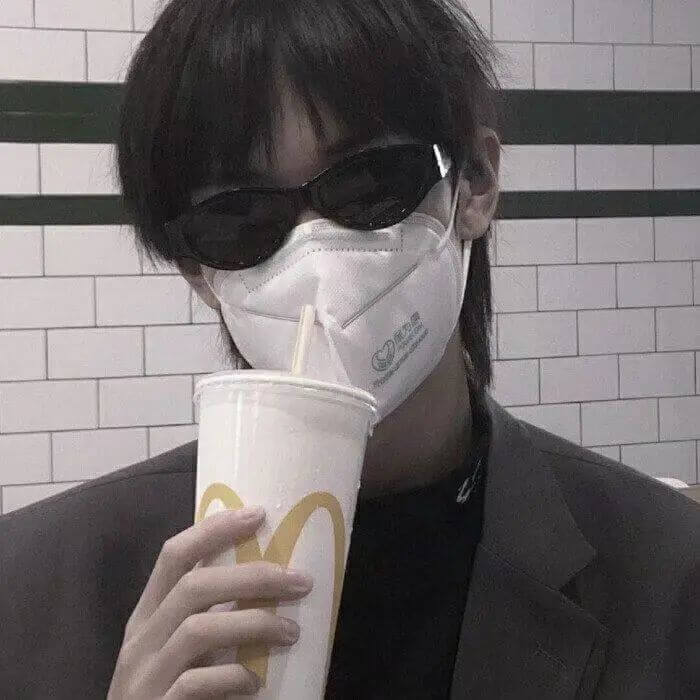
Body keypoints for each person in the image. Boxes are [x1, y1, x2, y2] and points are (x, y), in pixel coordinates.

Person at [1, 1, 698, 698]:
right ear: (197, 271)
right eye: (241, 217)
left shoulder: (669, 579)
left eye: (368, 183)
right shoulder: (36, 592)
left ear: (474, 184)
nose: (317, 256)